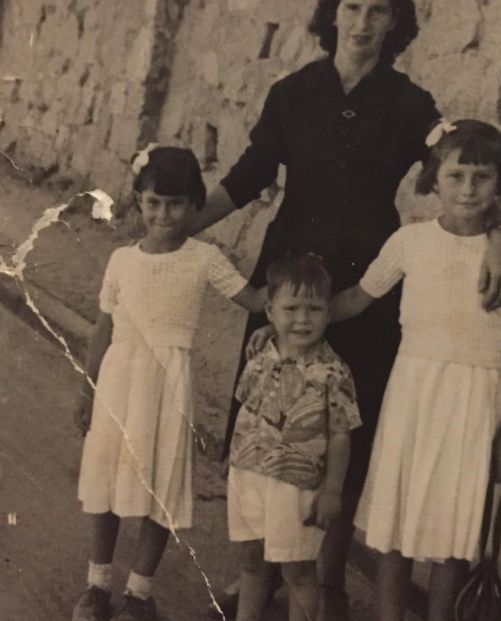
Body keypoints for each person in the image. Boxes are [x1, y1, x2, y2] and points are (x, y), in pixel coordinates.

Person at [196, 1, 501, 617]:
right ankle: (261, 568)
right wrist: (177, 231)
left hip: (369, 284)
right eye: (352, 6)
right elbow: (246, 177)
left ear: (396, 23)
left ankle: (327, 576)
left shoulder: (412, 104)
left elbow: (464, 158)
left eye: (379, 10)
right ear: (332, 14)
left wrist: (498, 232)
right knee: (268, 418)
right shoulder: (291, 92)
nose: (363, 21)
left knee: (349, 428)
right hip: (290, 281)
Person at [330, 119, 501, 621]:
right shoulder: (410, 242)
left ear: (498, 182)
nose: (468, 189)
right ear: (433, 180)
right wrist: (295, 312)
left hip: (475, 401)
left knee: (456, 530)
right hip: (414, 394)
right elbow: (358, 298)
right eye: (456, 175)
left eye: (481, 177)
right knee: (397, 522)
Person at [71, 147, 265, 621]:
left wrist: (301, 288)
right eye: (153, 203)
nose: (164, 215)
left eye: (176, 204)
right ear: (139, 201)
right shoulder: (121, 259)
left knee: (160, 487)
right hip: (119, 379)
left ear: (196, 204)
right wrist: (87, 387)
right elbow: (103, 327)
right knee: (108, 481)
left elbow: (255, 300)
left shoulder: (204, 258)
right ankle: (98, 585)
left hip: (170, 383)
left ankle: (139, 592)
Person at [227, 253, 362, 621]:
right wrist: (234, 465)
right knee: (252, 563)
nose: (302, 319)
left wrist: (332, 490)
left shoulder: (333, 372)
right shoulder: (258, 356)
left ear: (328, 313)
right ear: (270, 311)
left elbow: (339, 436)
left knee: (298, 571)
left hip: (298, 486)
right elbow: (246, 413)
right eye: (292, 308)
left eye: (314, 309)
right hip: (249, 476)